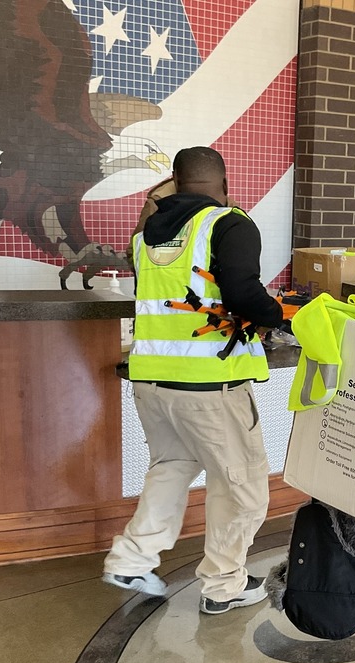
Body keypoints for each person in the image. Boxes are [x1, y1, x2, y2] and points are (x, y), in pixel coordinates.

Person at [103, 146, 283, 615]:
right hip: (209, 385)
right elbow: (243, 292)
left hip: (152, 382)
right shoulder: (229, 223)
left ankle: (131, 559)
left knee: (172, 468)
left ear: (177, 182)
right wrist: (281, 316)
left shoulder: (143, 237)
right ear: (223, 185)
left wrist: (159, 196)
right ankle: (224, 585)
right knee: (242, 487)